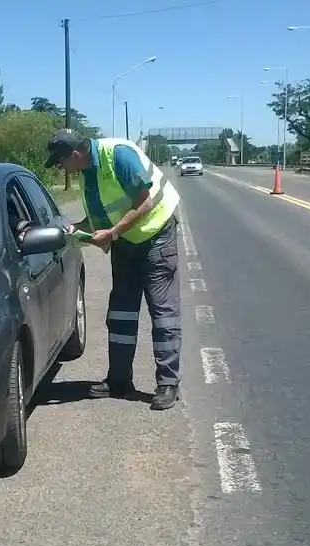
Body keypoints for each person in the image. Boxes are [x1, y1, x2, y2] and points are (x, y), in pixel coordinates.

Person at [45, 128, 182, 411]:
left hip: (157, 236)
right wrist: (73, 231)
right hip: (125, 244)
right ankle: (119, 380)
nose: (61, 169)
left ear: (75, 155)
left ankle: (168, 384)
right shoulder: (86, 172)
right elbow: (99, 218)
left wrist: (114, 233)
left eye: (61, 162)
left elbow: (144, 200)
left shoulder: (118, 155)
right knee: (121, 313)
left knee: (163, 315)